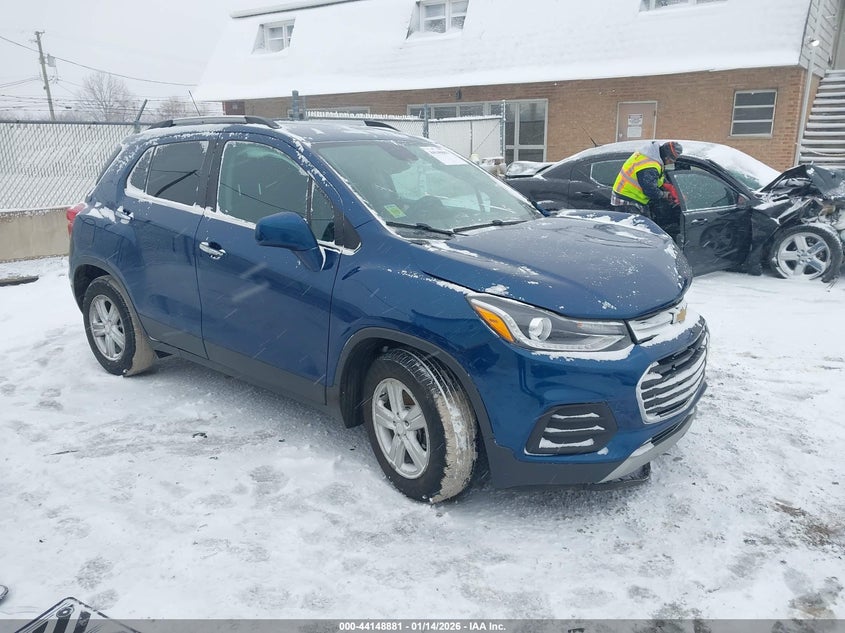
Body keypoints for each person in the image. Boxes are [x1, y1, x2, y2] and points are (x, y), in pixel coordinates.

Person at [611, 140, 683, 216]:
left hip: (630, 197)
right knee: (640, 226)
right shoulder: (649, 166)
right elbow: (650, 190)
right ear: (666, 158)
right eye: (672, 161)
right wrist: (666, 195)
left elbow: (656, 178)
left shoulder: (652, 157)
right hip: (627, 199)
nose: (671, 163)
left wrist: (669, 187)